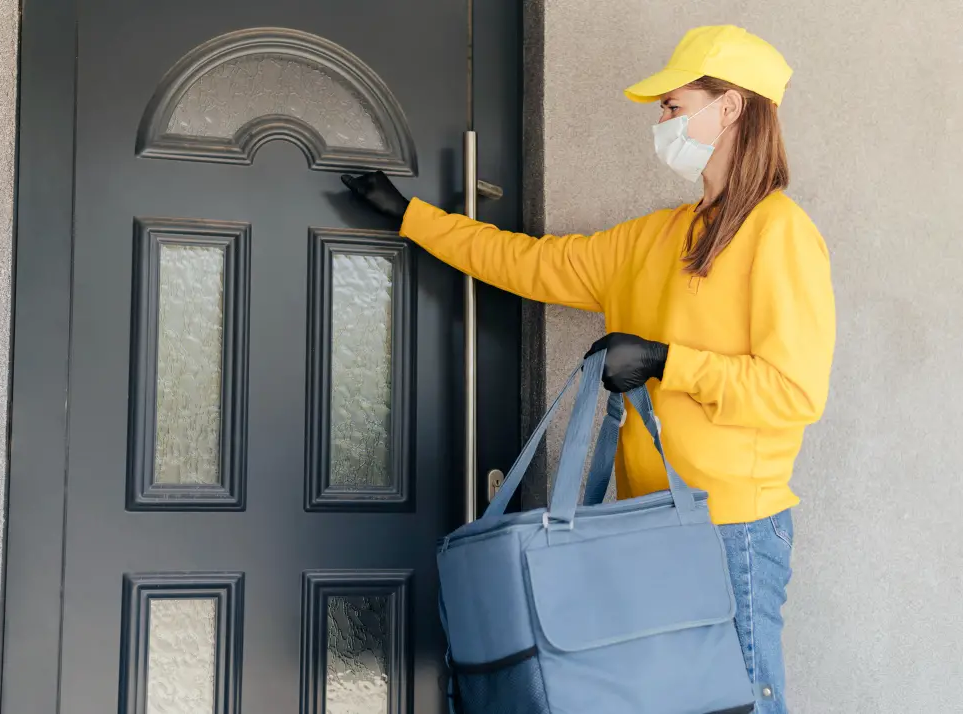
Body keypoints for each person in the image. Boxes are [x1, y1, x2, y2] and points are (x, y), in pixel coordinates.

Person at [342, 24, 835, 714]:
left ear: (730, 108)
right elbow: (527, 263)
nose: (662, 120)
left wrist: (666, 361)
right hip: (644, 525)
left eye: (673, 104)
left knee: (740, 706)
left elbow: (793, 392)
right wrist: (412, 218)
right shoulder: (653, 237)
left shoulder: (780, 232)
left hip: (732, 530)